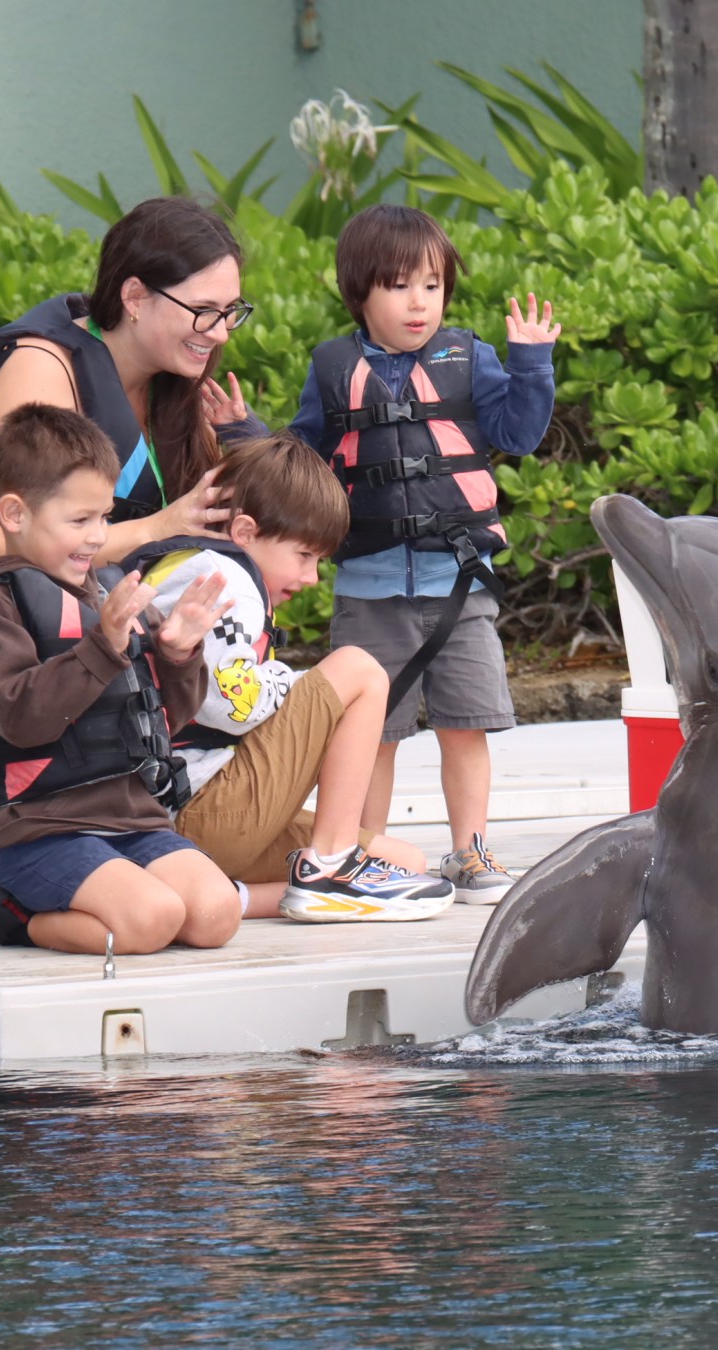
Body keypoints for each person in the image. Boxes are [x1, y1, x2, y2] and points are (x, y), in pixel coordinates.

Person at [0, 196, 270, 914]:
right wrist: (159, 526)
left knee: (188, 883)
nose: (219, 331)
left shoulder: (170, 386)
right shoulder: (41, 366)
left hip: (99, 659)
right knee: (85, 891)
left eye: (232, 312)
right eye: (205, 310)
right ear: (134, 295)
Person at [289, 204, 560, 905]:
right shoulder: (332, 370)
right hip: (370, 589)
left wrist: (532, 364)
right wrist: (241, 436)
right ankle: (361, 849)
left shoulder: (469, 359)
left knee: (467, 726)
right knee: (371, 735)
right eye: (399, 285)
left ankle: (470, 852)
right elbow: (300, 463)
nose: (419, 302)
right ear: (360, 293)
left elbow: (519, 434)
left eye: (433, 286)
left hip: (459, 587)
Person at [0, 404, 241, 954]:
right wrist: (102, 647)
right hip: (42, 828)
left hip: (133, 818)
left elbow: (170, 716)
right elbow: (21, 718)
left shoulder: (107, 594)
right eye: (79, 520)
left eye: (105, 517)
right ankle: (12, 916)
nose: (98, 536)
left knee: (216, 916)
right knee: (150, 921)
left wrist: (177, 651)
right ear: (14, 513)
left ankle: (112, 893)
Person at [121, 433, 460, 922]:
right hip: (199, 810)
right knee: (359, 672)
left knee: (405, 862)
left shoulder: (197, 566)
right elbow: (231, 705)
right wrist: (289, 680)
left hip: (198, 821)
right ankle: (330, 865)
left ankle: (243, 896)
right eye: (305, 556)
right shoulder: (222, 578)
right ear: (244, 531)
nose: (311, 578)